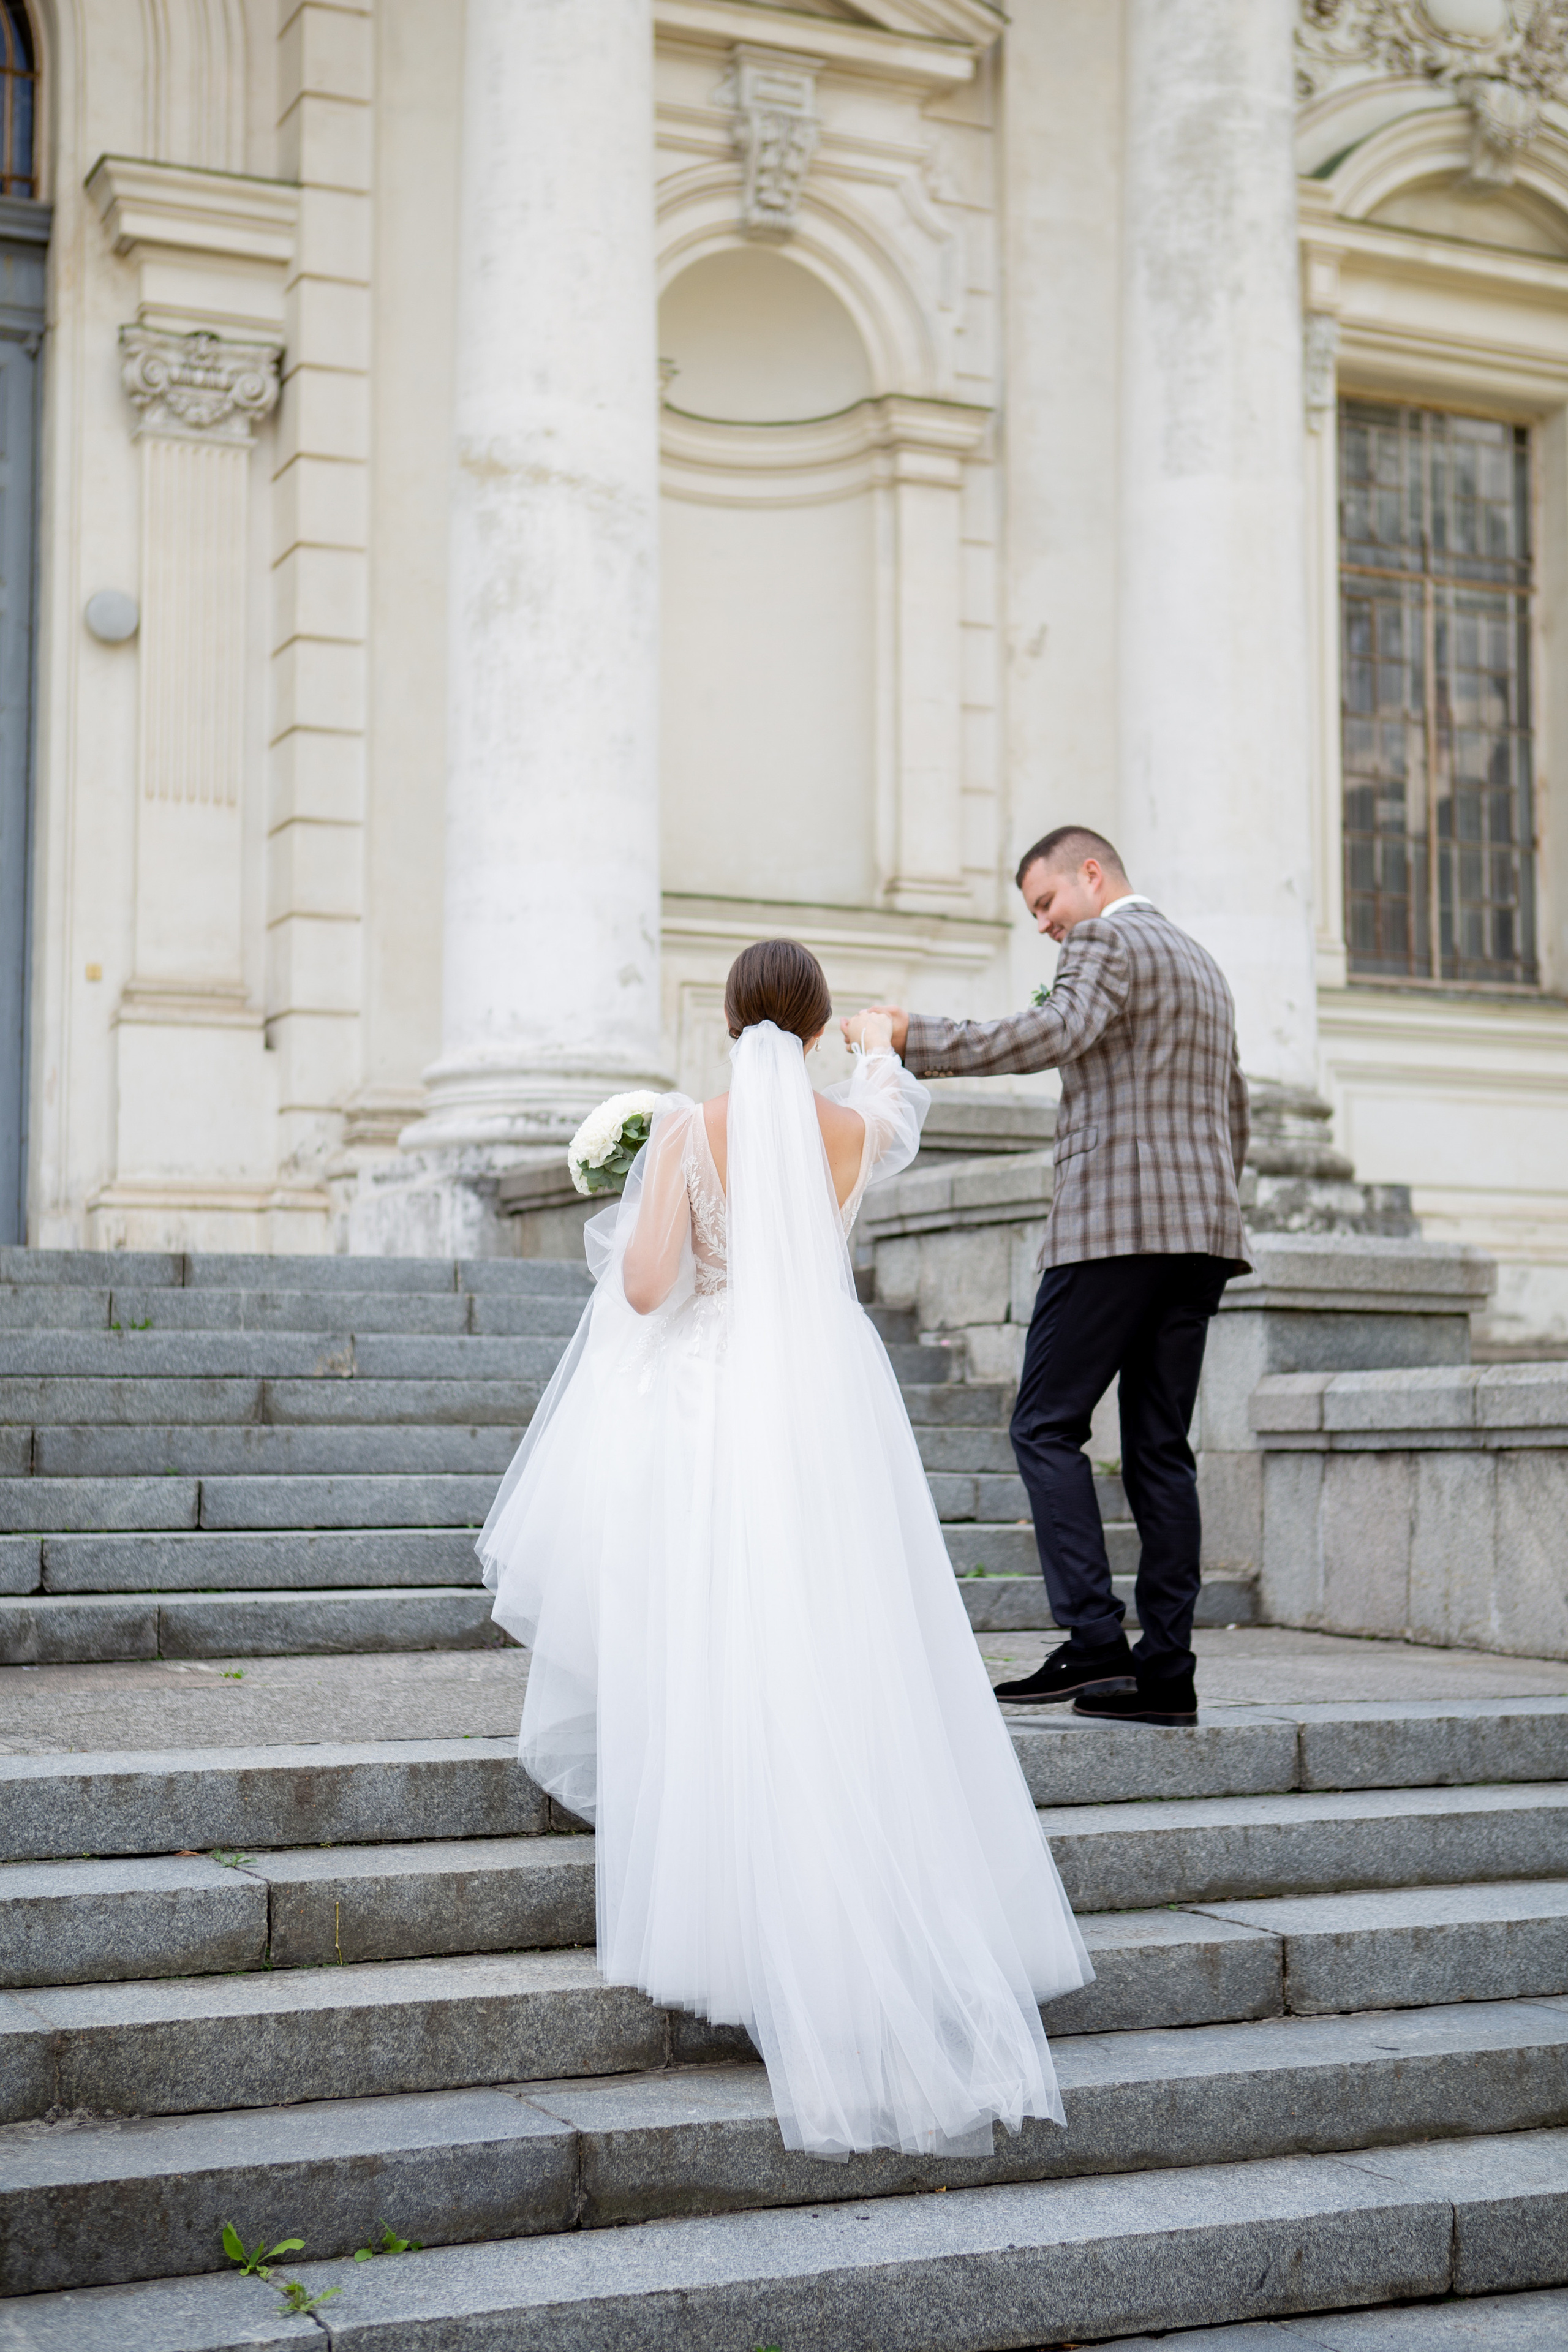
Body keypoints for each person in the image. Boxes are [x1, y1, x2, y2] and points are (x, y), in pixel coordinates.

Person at [479, 937, 1091, 2162]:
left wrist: (636, 1214)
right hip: (828, 1404)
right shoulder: (856, 1135)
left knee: (726, 1643)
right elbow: (887, 1097)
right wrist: (870, 1048)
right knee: (846, 1646)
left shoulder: (689, 1131)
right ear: (809, 1026)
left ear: (725, 1021)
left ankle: (738, 1930)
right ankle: (882, 1919)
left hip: (719, 1403)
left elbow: (649, 1290)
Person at [843, 827, 1251, 1730]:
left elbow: (1056, 1031)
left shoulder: (1107, 940)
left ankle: (1094, 1641)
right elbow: (1232, 1105)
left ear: (1092, 875)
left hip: (1113, 1227)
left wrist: (918, 1038)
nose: (1044, 926)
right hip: (1200, 1234)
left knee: (1044, 1425)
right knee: (1158, 1450)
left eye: (1045, 903)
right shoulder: (1204, 964)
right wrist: (1215, 1212)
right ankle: (1166, 1675)